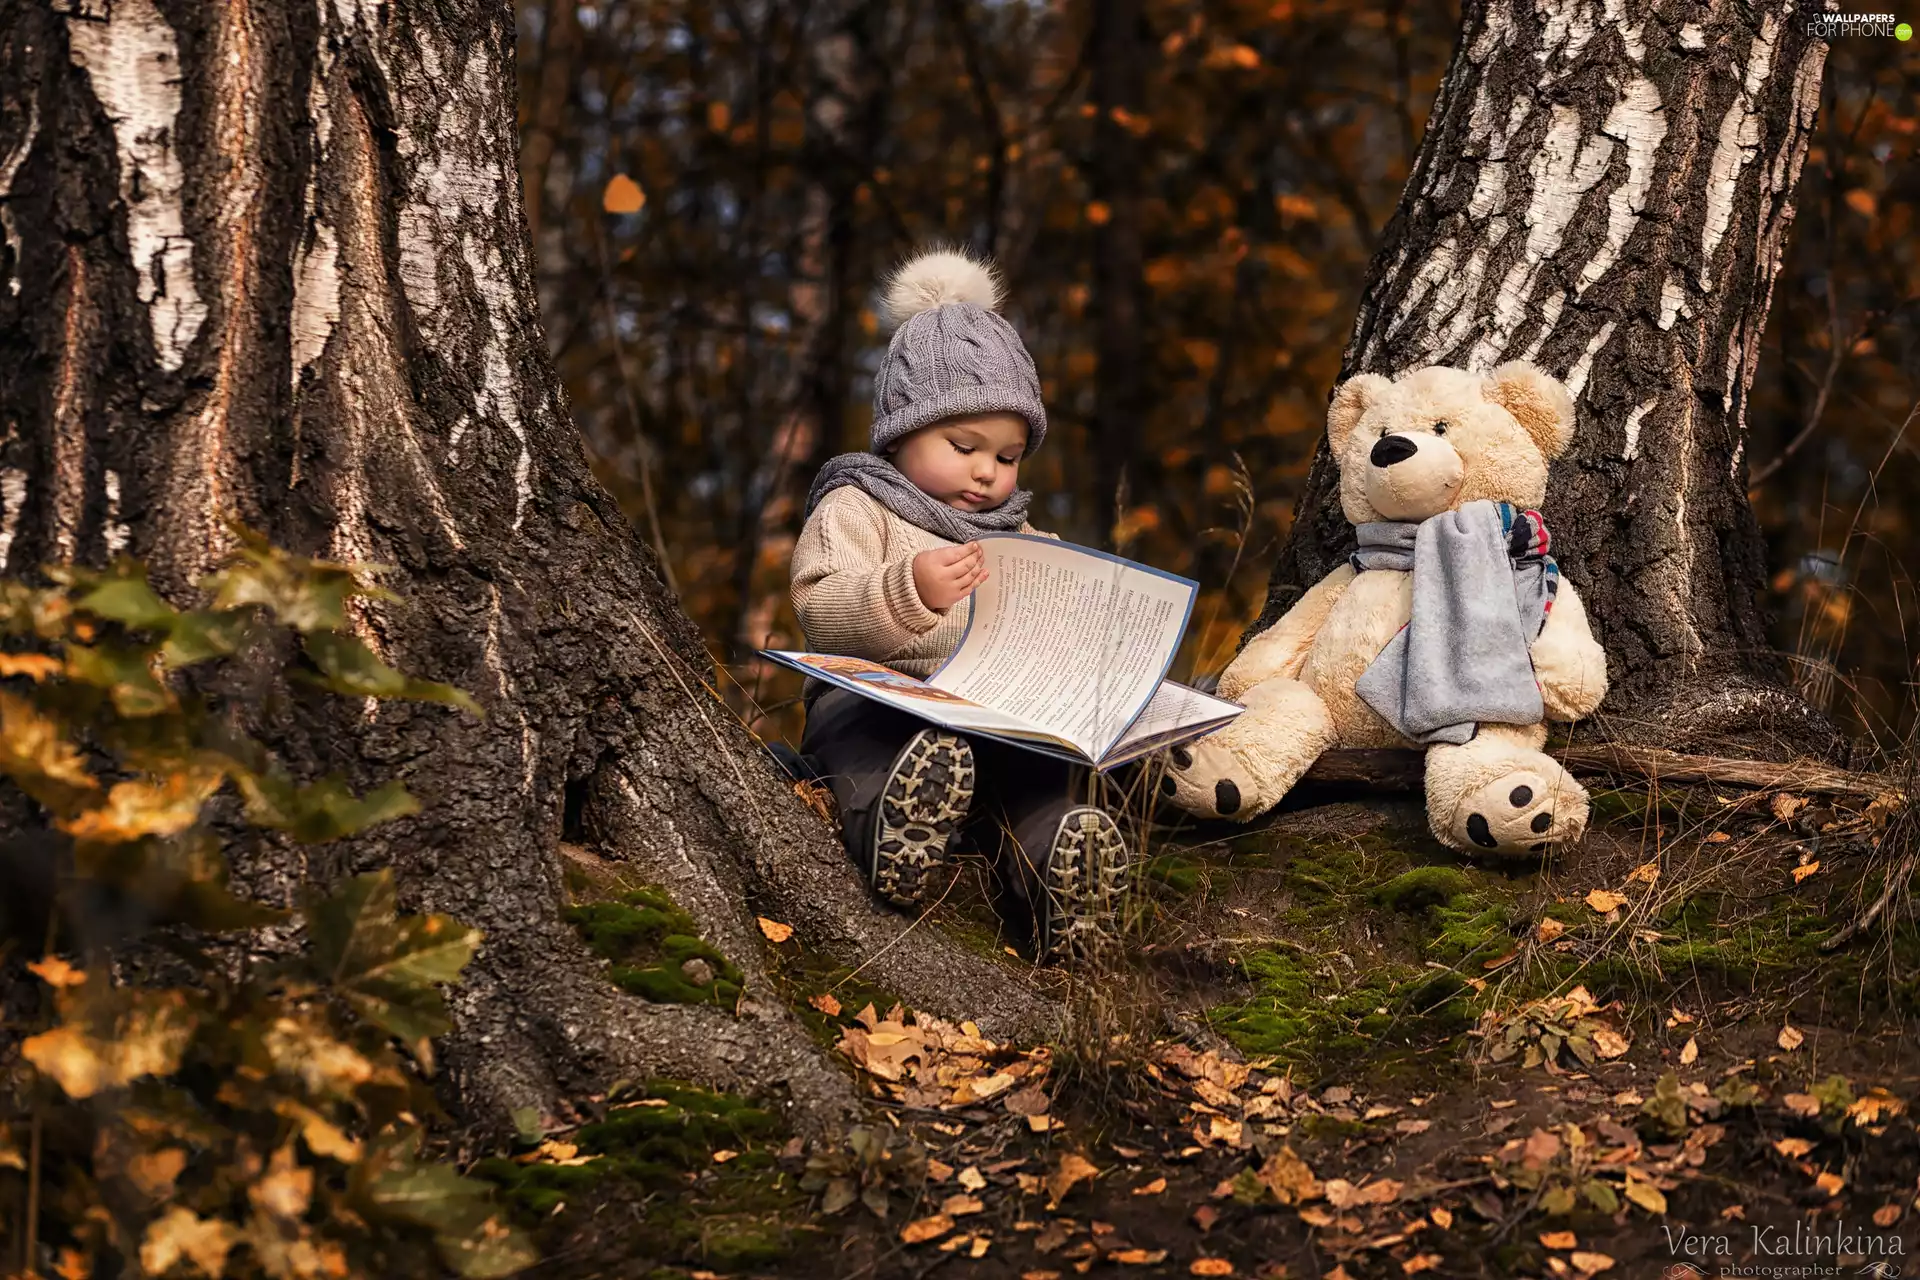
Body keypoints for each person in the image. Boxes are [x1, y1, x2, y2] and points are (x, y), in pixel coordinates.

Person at [786, 246, 1129, 964]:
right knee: (867, 749)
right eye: (965, 444)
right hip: (879, 706)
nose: (986, 472)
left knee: (1042, 784)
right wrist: (907, 588)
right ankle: (894, 823)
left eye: (1007, 458)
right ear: (902, 430)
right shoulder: (859, 506)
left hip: (997, 722)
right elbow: (822, 607)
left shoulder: (1027, 538)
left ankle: (1066, 878)